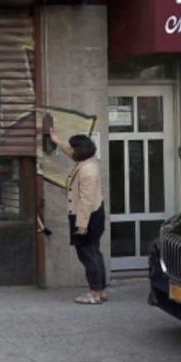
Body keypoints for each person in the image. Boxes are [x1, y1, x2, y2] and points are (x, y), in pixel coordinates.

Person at [50, 129, 107, 304]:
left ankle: (94, 293)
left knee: (87, 255)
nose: (71, 151)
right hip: (92, 215)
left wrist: (81, 226)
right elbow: (72, 153)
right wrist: (57, 141)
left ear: (79, 150)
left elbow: (85, 201)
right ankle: (101, 290)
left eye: (73, 148)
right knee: (94, 253)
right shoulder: (87, 162)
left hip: (86, 217)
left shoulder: (87, 171)